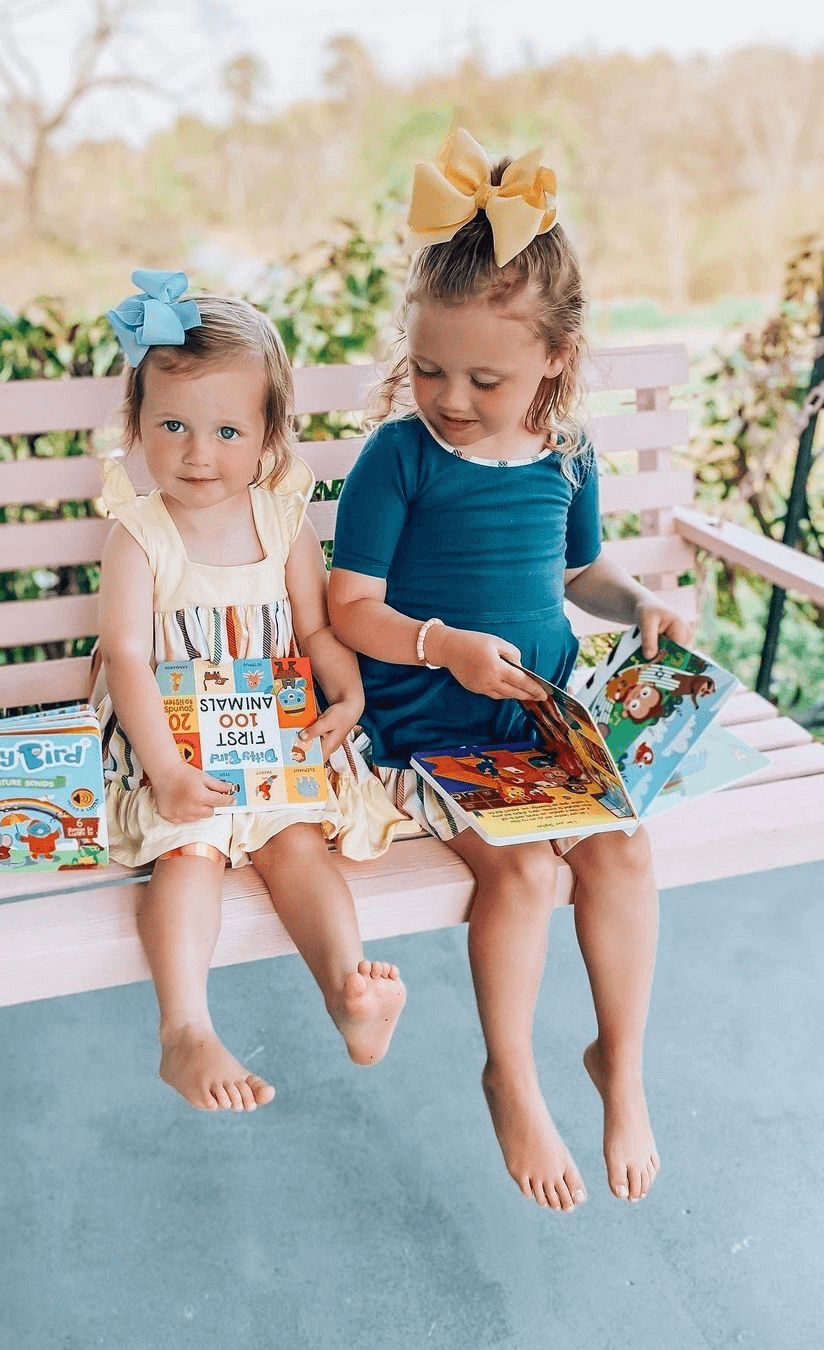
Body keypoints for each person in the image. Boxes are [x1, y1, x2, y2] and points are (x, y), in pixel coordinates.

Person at [328, 130, 690, 1209]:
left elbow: (581, 572)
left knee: (621, 849)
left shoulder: (567, 453)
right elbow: (352, 608)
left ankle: (618, 1063)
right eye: (431, 367)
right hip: (430, 719)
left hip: (541, 721)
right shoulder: (399, 456)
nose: (448, 394)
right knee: (527, 872)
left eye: (484, 377)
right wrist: (442, 646)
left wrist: (642, 606)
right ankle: (512, 1071)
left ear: (554, 363)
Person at [94, 271, 407, 1112]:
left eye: (228, 429)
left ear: (270, 434)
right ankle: (184, 1029)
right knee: (189, 850)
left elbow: (314, 632)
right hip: (171, 737)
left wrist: (346, 699)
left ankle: (351, 992)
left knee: (295, 841)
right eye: (173, 426)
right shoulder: (140, 535)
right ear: (137, 426)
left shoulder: (283, 522)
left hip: (273, 729)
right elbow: (126, 657)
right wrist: (163, 769)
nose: (199, 453)